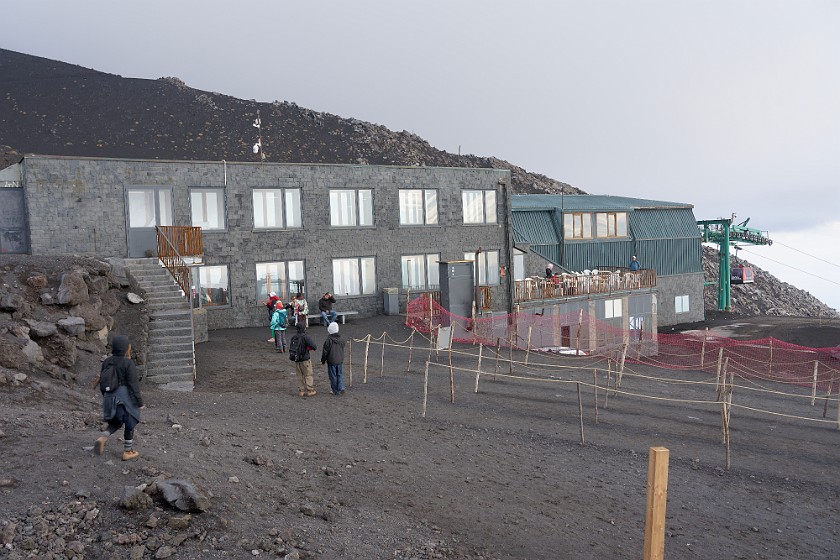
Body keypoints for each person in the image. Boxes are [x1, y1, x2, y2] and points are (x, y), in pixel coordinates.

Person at [94, 335, 144, 461]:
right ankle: (128, 451)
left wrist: (106, 397)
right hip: (123, 399)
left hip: (109, 398)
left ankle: (103, 437)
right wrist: (139, 402)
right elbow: (133, 385)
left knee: (115, 422)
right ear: (126, 348)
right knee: (130, 420)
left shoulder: (107, 362)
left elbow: (102, 382)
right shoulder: (127, 363)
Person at [289, 323, 317, 396]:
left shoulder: (294, 337)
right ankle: (310, 390)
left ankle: (301, 391)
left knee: (299, 375)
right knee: (308, 374)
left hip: (297, 359)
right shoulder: (306, 337)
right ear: (304, 328)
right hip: (305, 359)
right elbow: (314, 346)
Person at [321, 321, 346, 395]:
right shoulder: (341, 338)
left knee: (333, 376)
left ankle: (335, 390)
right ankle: (341, 387)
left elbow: (325, 352)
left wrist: (323, 360)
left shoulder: (328, 340)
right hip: (340, 359)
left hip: (331, 360)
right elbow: (343, 346)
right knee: (339, 374)